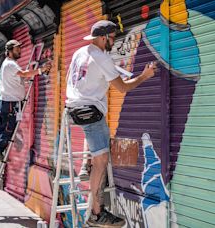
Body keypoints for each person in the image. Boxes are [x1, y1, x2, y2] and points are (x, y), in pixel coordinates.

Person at [65, 20, 157, 227]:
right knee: (102, 161)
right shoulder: (101, 57)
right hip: (90, 112)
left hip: (73, 107)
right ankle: (96, 213)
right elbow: (123, 88)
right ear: (103, 37)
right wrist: (144, 75)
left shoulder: (80, 52)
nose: (114, 42)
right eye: (113, 37)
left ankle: (86, 166)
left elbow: (88, 77)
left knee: (98, 151)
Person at [0, 40, 51, 161]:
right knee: (8, 128)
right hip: (11, 103)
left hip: (5, 102)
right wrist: (40, 70)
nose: (20, 51)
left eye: (20, 48)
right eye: (17, 49)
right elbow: (23, 73)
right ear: (10, 51)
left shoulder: (7, 64)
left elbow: (18, 78)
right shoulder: (10, 64)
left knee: (2, 128)